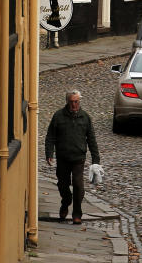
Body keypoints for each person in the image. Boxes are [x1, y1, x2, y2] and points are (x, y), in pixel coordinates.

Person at [45, 89, 100, 225]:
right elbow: (50, 136)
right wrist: (49, 154)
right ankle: (66, 202)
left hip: (78, 158)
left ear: (79, 101)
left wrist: (95, 160)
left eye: (76, 102)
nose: (74, 105)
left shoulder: (85, 117)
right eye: (71, 102)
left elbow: (91, 139)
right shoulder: (58, 116)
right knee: (63, 184)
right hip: (63, 158)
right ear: (67, 102)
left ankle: (77, 213)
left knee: (78, 186)